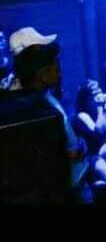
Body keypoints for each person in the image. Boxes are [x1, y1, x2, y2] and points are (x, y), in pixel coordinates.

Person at [11, 31, 90, 200]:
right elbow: (30, 157)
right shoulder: (30, 108)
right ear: (42, 73)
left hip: (75, 178)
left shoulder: (45, 95)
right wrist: (67, 155)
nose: (60, 73)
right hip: (64, 189)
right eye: (56, 68)